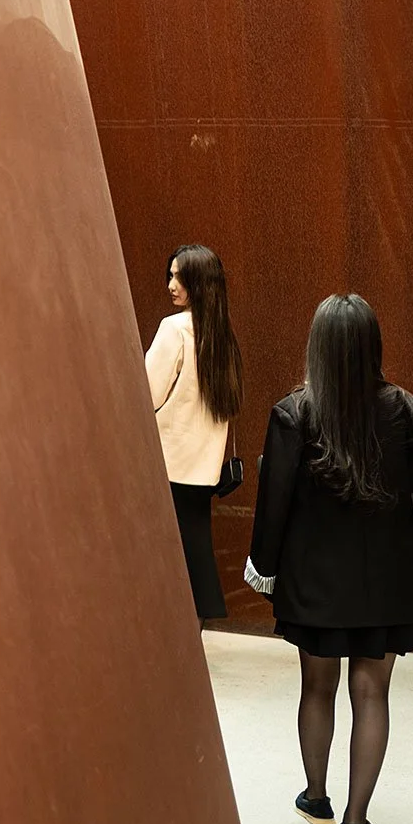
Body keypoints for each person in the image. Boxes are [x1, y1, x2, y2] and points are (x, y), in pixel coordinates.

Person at [244, 294, 413, 824]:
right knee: (372, 693)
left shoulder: (294, 413)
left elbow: (274, 502)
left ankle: (316, 798)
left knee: (317, 687)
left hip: (316, 582)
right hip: (385, 581)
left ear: (318, 347)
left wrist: (264, 567)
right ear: (373, 345)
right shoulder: (408, 411)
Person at [145, 244, 242, 625]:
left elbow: (147, 394)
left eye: (180, 278)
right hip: (203, 470)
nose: (171, 285)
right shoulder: (222, 335)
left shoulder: (174, 329)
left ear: (199, 283)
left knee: (160, 558)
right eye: (170, 276)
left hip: (167, 463)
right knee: (196, 555)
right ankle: (194, 630)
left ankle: (167, 639)